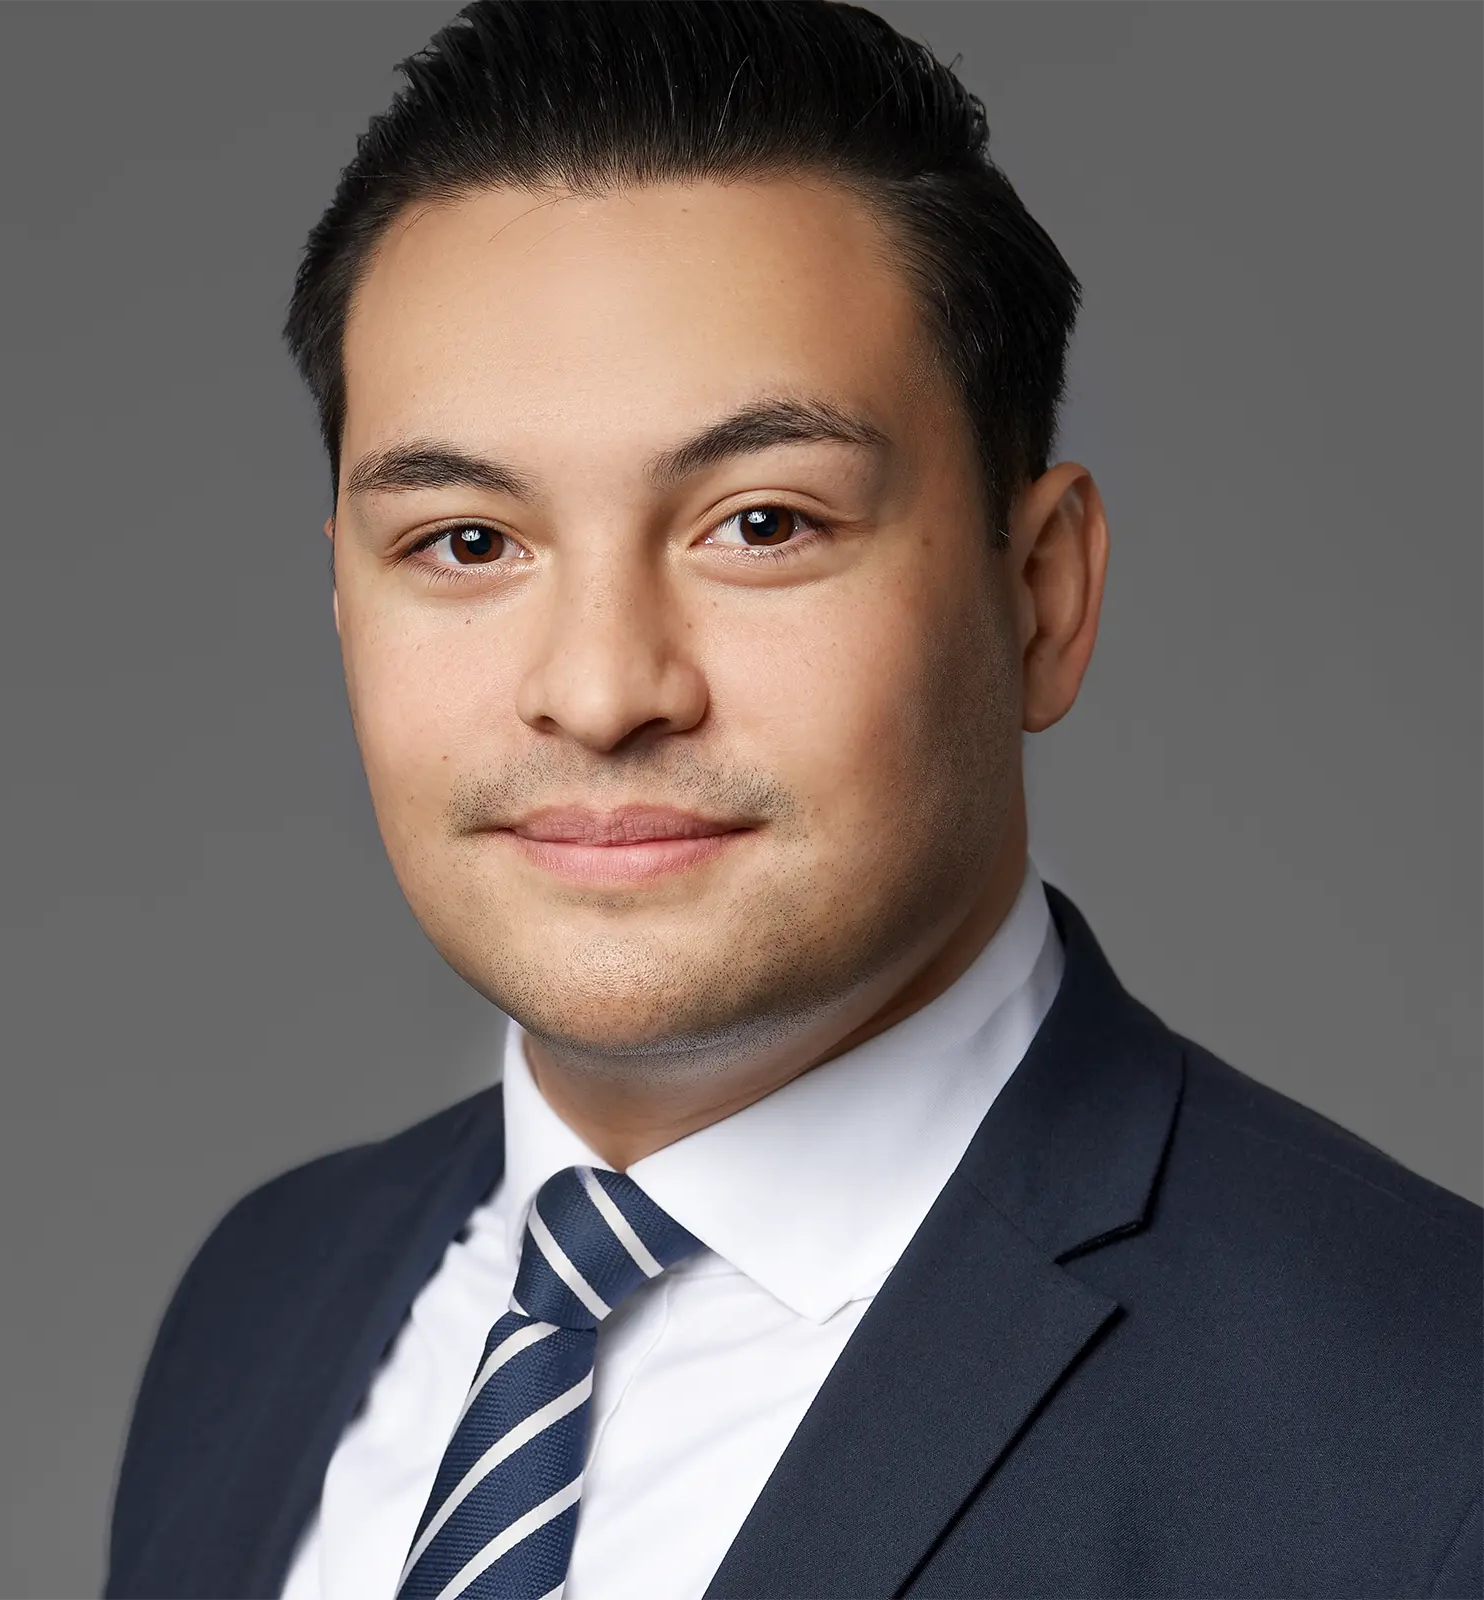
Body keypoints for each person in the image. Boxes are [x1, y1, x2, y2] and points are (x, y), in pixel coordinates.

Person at [102, 2, 1484, 1596]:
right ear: (344, 602)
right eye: (468, 542)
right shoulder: (264, 1303)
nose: (607, 689)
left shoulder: (1424, 1428)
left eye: (760, 523)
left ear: (1039, 594)